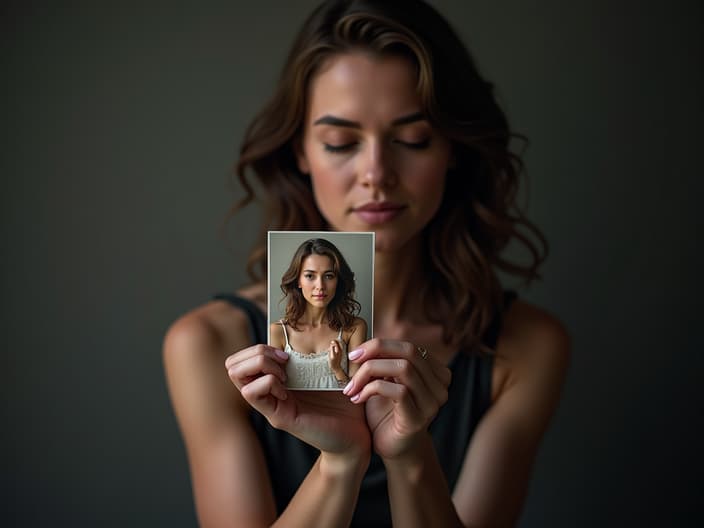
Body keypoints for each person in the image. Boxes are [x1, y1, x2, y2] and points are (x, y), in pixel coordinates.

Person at [163, 0, 570, 526]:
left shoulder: (527, 348)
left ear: (453, 147)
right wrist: (341, 461)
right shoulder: (207, 346)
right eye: (340, 142)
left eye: (412, 139)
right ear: (301, 152)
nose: (377, 172)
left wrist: (409, 453)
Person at [271, 238, 367, 390]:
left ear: (338, 281)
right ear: (298, 281)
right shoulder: (278, 331)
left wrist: (336, 368)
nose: (320, 286)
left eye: (329, 276)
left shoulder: (355, 327)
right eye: (310, 276)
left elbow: (357, 394)